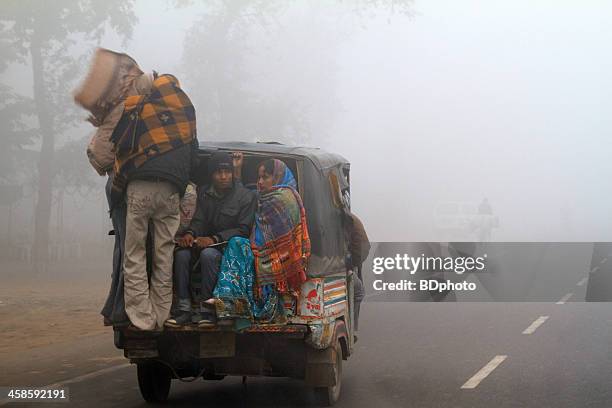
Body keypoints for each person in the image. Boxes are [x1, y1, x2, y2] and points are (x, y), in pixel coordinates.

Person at [111, 73, 198, 331]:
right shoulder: (186, 111)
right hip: (171, 192)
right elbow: (193, 157)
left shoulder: (138, 106)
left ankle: (142, 318)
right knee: (164, 255)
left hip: (139, 188)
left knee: (135, 254)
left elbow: (120, 144)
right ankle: (161, 316)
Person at [166, 152, 257, 327]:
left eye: (227, 172)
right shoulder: (204, 193)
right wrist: (191, 234)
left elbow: (243, 229)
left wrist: (214, 238)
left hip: (228, 250)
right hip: (203, 243)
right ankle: (183, 309)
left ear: (232, 172)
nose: (223, 176)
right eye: (218, 172)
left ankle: (207, 311)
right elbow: (199, 219)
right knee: (182, 255)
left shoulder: (245, 196)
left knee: (208, 255)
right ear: (211, 174)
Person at [250, 159, 310, 312]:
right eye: (259, 177)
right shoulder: (262, 198)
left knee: (237, 245)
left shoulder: (282, 198)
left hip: (280, 261)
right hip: (275, 259)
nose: (260, 182)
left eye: (266, 177)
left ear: (278, 177)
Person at [343, 212, 370, 336]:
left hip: (350, 259)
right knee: (358, 292)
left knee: (354, 289)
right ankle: (352, 329)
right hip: (349, 261)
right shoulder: (349, 217)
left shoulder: (345, 218)